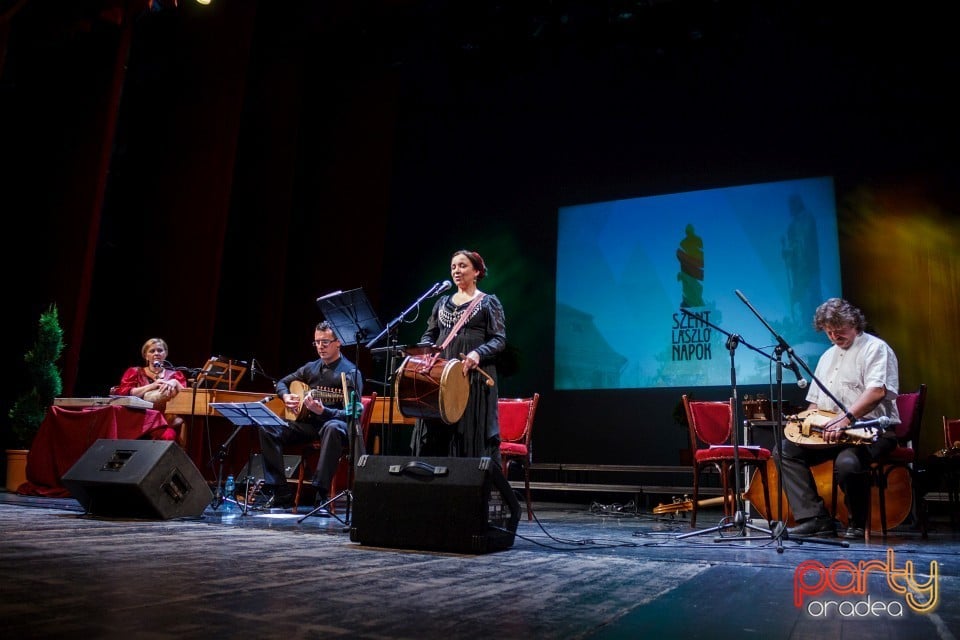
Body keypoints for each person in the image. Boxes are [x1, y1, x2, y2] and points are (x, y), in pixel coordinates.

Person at [779, 298, 900, 539]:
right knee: (785, 450)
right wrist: (805, 426)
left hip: (872, 432)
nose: (834, 335)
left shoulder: (875, 349)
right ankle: (815, 518)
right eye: (829, 331)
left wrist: (845, 420)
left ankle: (856, 522)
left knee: (847, 463)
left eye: (839, 329)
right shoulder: (826, 357)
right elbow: (815, 403)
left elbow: (876, 391)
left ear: (854, 322)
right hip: (832, 434)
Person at [410, 249, 507, 462]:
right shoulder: (441, 302)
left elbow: (499, 339)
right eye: (453, 266)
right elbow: (429, 334)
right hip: (441, 376)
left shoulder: (488, 302)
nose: (457, 271)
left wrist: (477, 353)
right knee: (437, 425)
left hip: (471, 376)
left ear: (477, 272)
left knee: (466, 428)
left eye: (462, 266)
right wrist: (426, 350)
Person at [257, 321, 363, 509]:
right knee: (267, 427)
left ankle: (320, 493)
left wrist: (324, 411)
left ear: (338, 342)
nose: (320, 347)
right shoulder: (310, 368)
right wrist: (285, 396)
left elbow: (351, 413)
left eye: (325, 342)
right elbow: (281, 382)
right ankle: (280, 490)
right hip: (309, 425)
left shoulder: (350, 372)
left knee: (331, 427)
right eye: (317, 342)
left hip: (337, 426)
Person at [111, 337, 188, 443]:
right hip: (140, 419)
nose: (156, 353)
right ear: (146, 356)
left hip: (165, 421)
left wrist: (176, 382)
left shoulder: (175, 375)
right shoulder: (135, 372)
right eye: (152, 351)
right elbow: (124, 393)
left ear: (165, 354)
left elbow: (187, 399)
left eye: (160, 350)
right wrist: (151, 386)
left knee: (168, 435)